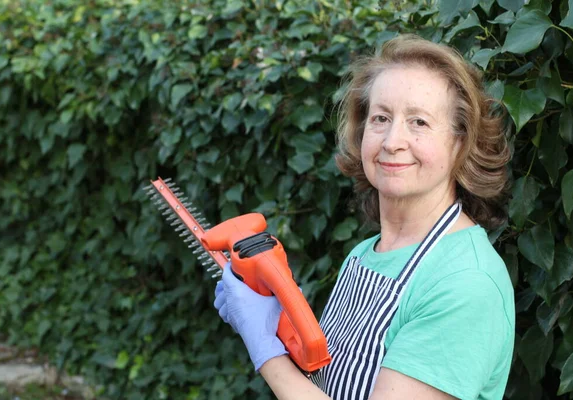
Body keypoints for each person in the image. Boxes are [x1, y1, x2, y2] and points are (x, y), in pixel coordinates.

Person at [213, 34, 515, 400]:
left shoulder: (465, 282)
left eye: (418, 122)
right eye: (381, 118)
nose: (392, 141)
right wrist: (274, 322)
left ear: (460, 142)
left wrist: (265, 349)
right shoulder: (364, 256)